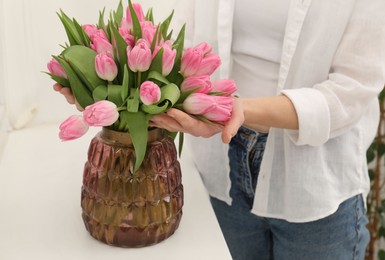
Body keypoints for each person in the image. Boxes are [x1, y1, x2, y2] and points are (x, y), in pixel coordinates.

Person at [55, 0, 385, 259]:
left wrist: (237, 110)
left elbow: (352, 90)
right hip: (221, 170)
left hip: (316, 184)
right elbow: (184, 43)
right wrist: (96, 87)